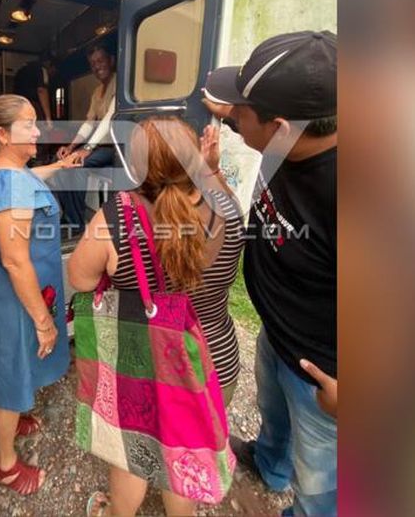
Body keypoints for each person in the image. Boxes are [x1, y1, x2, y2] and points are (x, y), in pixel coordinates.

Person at [67, 116, 245, 517]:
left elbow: (79, 278)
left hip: (143, 366)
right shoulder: (227, 206)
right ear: (194, 160)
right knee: (185, 455)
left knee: (133, 457)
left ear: (137, 166)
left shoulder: (116, 217)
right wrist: (211, 171)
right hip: (212, 362)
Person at [202, 31, 338, 516]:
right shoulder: (293, 142)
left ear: (280, 127)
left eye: (240, 111)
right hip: (279, 331)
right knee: (274, 417)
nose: (230, 117)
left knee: (321, 480)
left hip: (323, 371)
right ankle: (269, 464)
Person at [0, 95, 79, 494]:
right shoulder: (10, 185)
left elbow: (30, 178)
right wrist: (44, 322)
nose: (38, 131)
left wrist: (61, 167)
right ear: (2, 134)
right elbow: (15, 261)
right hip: (15, 301)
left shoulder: (5, 171)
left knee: (14, 365)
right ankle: (6, 464)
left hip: (12, 297)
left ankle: (13, 419)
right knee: (12, 371)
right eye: (28, 125)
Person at [57, 44, 118, 231]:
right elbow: (89, 123)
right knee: (61, 163)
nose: (97, 66)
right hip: (99, 146)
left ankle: (77, 224)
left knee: (77, 165)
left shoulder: (119, 84)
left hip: (114, 148)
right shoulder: (97, 91)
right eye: (92, 63)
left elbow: (109, 119)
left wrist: (87, 148)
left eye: (100, 60)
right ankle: (70, 216)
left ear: (111, 60)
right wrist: (71, 146)